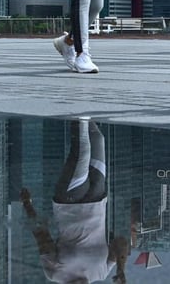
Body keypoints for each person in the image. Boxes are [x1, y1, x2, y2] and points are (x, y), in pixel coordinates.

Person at [22, 118, 129, 283]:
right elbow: (120, 242)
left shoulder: (55, 275)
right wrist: (121, 268)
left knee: (81, 152)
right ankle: (84, 113)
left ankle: (78, 108)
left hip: (69, 203)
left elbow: (42, 236)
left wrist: (27, 204)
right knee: (97, 139)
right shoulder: (100, 274)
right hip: (97, 199)